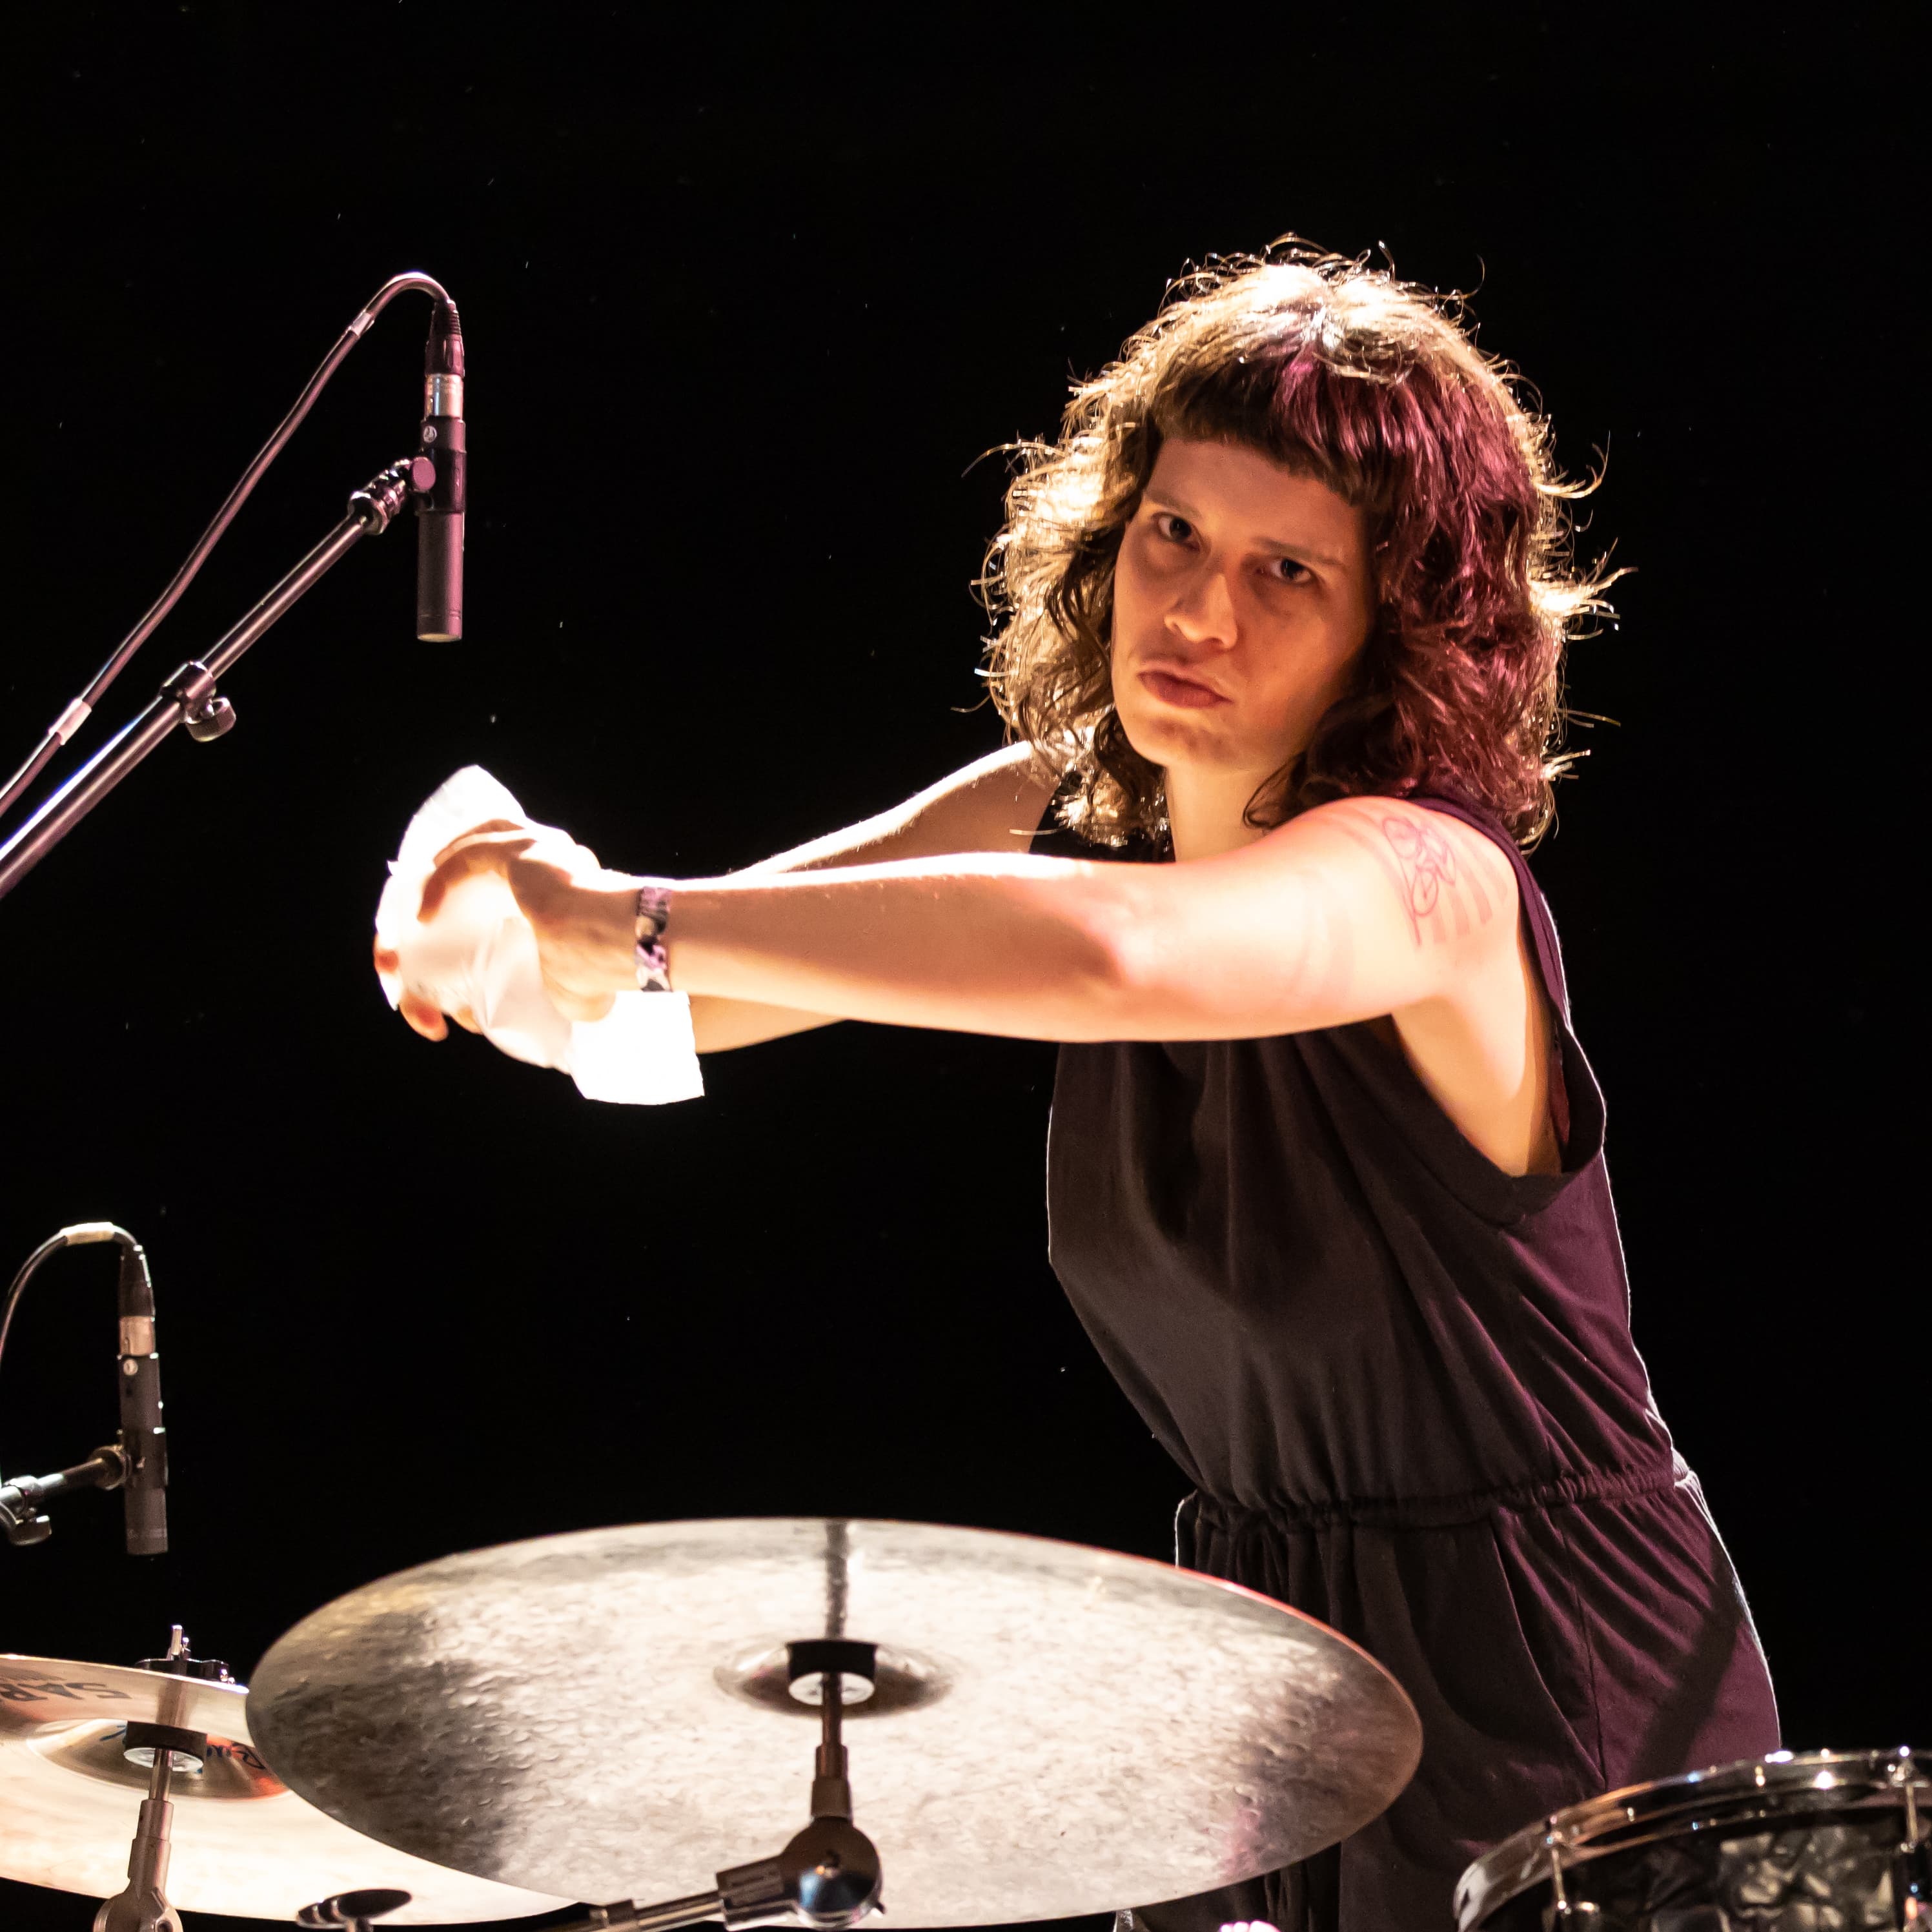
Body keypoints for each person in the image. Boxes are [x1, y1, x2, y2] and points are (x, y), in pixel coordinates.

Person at [374, 245, 1779, 1931]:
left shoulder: (1433, 881)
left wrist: (621, 921)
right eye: (1174, 532)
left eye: (1287, 572)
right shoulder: (1055, 811)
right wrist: (496, 907)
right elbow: (674, 993)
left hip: (1550, 1671)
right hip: (1267, 1659)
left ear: (1390, 632)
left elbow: (1112, 953)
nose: (1196, 610)